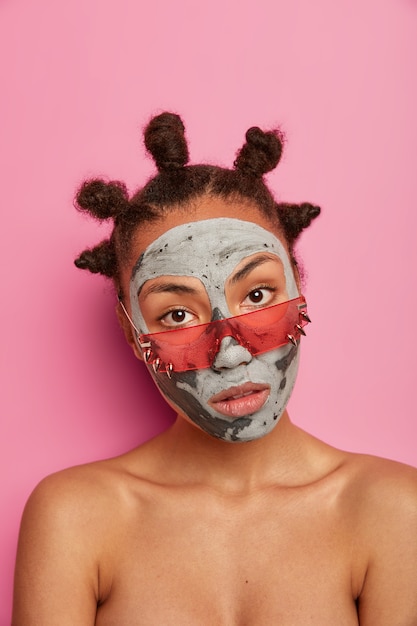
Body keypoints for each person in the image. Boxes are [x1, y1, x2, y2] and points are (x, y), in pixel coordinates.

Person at [12, 113, 417, 625]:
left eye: (257, 295)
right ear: (132, 332)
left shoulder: (393, 510)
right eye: (177, 315)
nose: (230, 352)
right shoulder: (74, 518)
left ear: (297, 287)